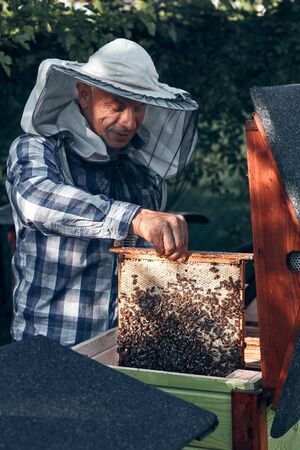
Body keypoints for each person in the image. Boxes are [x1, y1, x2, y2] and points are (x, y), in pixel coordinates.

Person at [6, 38, 199, 346]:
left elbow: (144, 266)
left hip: (123, 346)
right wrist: (135, 217)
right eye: (117, 106)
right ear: (84, 95)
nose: (129, 122)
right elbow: (37, 201)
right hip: (52, 346)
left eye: (138, 108)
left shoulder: (138, 170)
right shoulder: (37, 148)